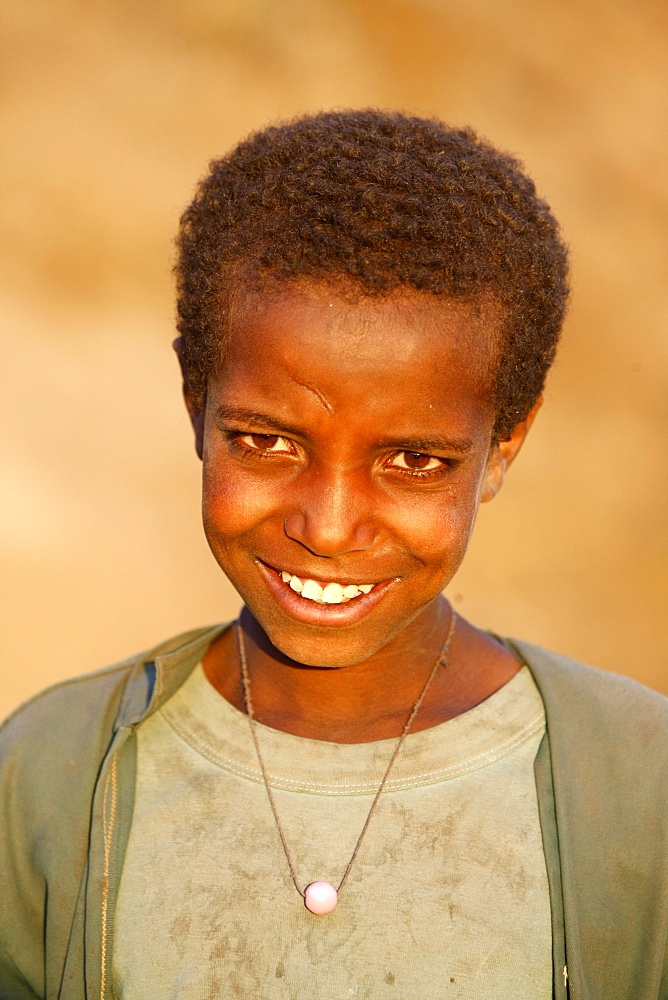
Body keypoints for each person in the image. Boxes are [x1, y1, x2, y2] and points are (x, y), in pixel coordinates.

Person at [1, 110, 666, 1000]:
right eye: (267, 443)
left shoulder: (638, 789)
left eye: (415, 462)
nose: (328, 525)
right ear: (196, 403)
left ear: (505, 446)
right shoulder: (50, 777)